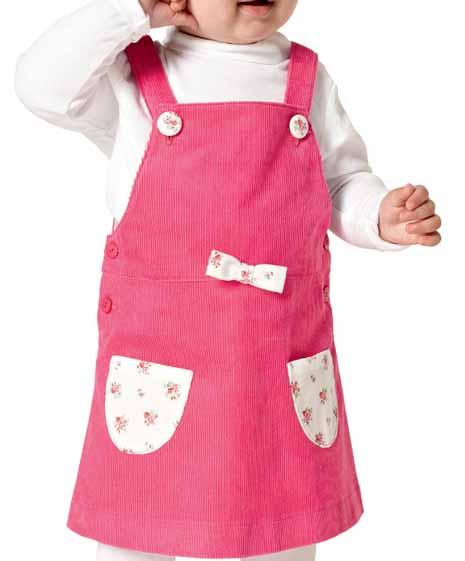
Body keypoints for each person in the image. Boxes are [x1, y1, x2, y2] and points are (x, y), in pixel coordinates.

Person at [14, 1, 442, 560]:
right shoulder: (135, 78)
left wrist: (378, 216)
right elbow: (40, 85)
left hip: (276, 359)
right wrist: (133, 11)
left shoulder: (307, 80)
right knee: (138, 524)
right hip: (161, 363)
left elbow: (340, 182)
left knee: (282, 528)